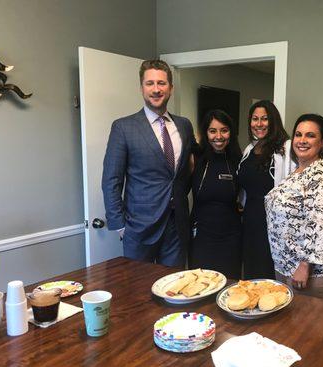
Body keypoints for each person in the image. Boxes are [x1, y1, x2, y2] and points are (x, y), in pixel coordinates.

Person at [102, 59, 196, 267]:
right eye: (150, 83)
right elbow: (111, 180)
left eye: (161, 83)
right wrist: (120, 226)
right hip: (138, 228)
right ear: (141, 88)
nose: (156, 89)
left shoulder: (184, 125)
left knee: (175, 288)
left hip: (176, 227)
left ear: (170, 88)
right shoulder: (123, 128)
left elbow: (187, 172)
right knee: (136, 291)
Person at [264, 113, 323, 299]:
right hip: (289, 266)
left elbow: (322, 222)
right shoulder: (300, 171)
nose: (302, 140)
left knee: (309, 328)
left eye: (310, 135)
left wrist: (305, 264)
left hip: (315, 274)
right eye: (298, 134)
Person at [237, 100, 294, 279]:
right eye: (255, 119)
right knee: (252, 269)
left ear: (273, 121)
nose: (259, 124)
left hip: (274, 221)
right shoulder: (249, 149)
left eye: (264, 119)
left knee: (270, 271)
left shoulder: (287, 148)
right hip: (250, 218)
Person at [189, 110, 242, 278]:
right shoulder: (195, 158)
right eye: (212, 131)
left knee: (228, 287)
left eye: (224, 130)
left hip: (231, 238)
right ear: (205, 133)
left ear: (231, 133)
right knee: (200, 286)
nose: (218, 136)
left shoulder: (238, 160)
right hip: (201, 237)